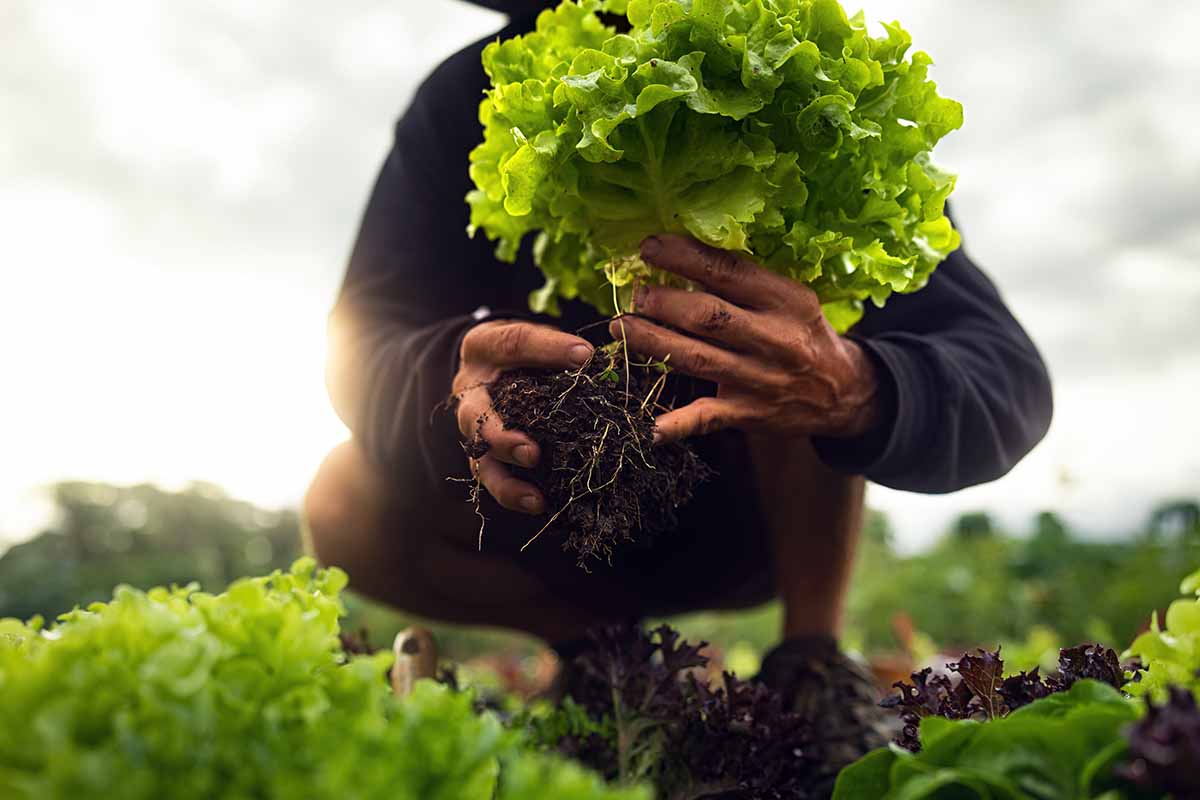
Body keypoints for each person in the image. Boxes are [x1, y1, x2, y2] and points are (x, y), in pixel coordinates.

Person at [304, 0, 1053, 782]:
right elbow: (363, 337)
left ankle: (812, 662)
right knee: (338, 504)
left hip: (758, 521)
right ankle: (603, 654)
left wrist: (856, 387)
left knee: (795, 318)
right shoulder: (469, 99)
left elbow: (1006, 374)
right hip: (555, 520)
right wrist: (445, 378)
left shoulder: (790, 67)